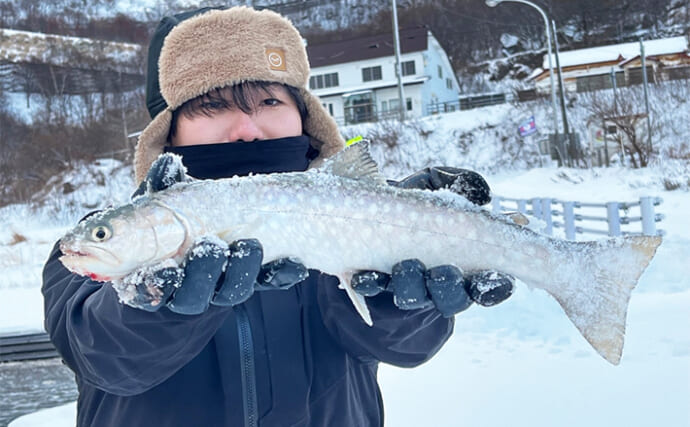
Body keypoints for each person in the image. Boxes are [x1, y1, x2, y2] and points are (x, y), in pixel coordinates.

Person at [42, 6, 514, 427]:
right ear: (168, 128)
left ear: (304, 116)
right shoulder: (99, 242)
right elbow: (103, 358)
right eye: (212, 105)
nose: (247, 129)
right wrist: (158, 306)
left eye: (269, 101)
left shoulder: (358, 220)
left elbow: (405, 348)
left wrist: (406, 304)